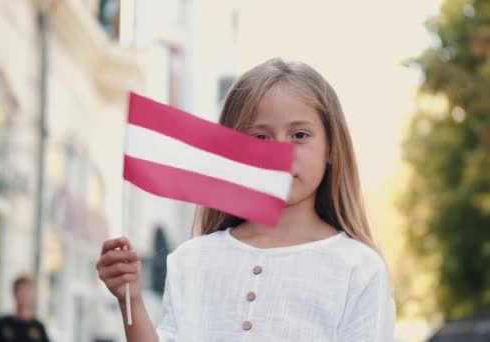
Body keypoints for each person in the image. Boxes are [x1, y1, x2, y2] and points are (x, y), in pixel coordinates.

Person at [96, 58, 396, 341]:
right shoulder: (192, 261)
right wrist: (130, 299)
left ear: (331, 147)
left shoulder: (359, 268)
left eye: (300, 135)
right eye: (260, 138)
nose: (281, 151)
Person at [0, 275, 50, 342]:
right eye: (21, 291)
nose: (24, 295)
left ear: (33, 295)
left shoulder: (38, 327)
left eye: (27, 292)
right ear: (14, 293)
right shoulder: (0, 324)